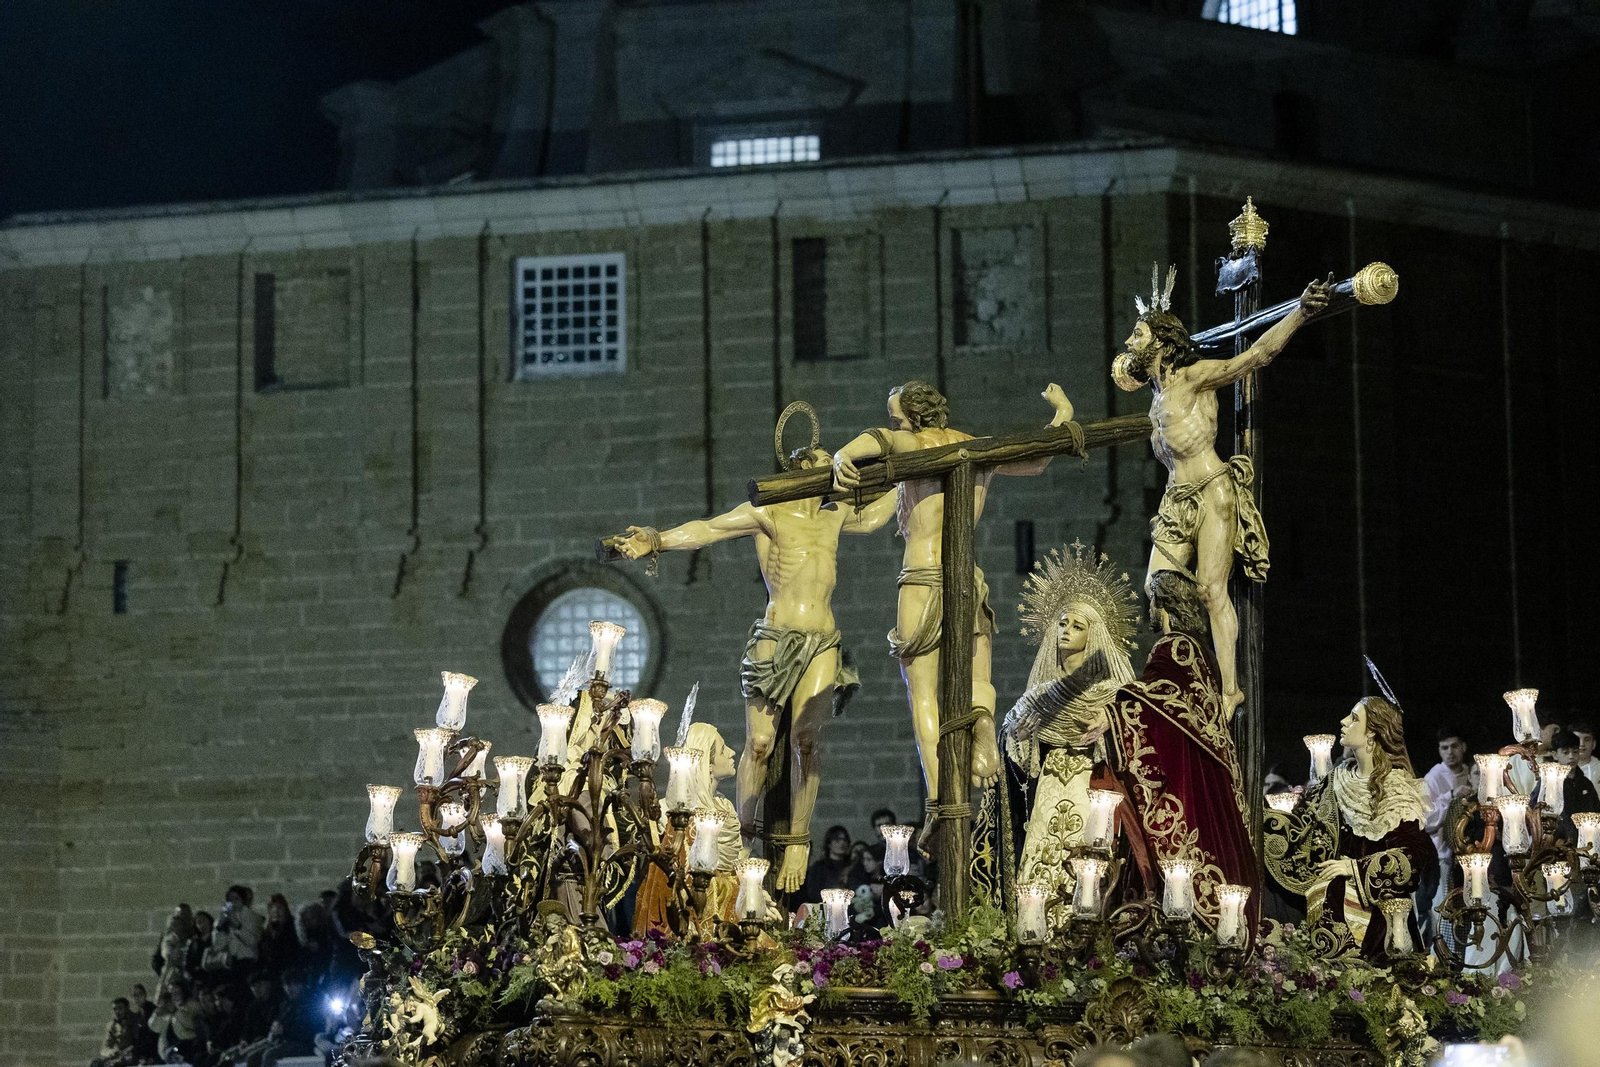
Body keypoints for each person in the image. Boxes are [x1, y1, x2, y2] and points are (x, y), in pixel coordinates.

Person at [608, 431, 897, 891]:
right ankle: (743, 834)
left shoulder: (836, 516)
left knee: (806, 740)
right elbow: (709, 528)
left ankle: (799, 838)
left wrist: (917, 467)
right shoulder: (769, 512)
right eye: (826, 462)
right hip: (775, 637)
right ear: (803, 469)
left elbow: (882, 511)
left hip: (823, 639)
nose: (836, 469)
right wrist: (657, 539)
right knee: (759, 743)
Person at [832, 379, 1077, 851]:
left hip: (921, 577)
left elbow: (872, 442)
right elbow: (1040, 455)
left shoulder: (913, 444)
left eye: (897, 416)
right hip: (968, 577)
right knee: (973, 674)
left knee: (922, 693)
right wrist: (1061, 415)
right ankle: (982, 717)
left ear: (914, 418)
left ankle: (941, 800)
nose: (893, 424)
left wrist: (843, 456)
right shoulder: (975, 447)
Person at [1111, 262, 1333, 714]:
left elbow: (1253, 359)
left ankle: (1229, 689)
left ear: (1159, 340)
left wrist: (1299, 314)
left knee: (1213, 591)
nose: (1130, 342)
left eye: (1137, 334)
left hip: (1213, 492)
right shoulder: (1155, 396)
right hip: (1176, 499)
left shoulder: (1193, 378)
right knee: (1158, 586)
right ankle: (1183, 671)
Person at [1109, 570, 1255, 930]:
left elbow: (1157, 697)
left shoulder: (1173, 647)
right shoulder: (1201, 653)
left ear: (1162, 608)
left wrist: (1111, 710)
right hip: (1207, 772)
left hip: (1187, 778)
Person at [1001, 542, 1138, 920]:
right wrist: (1019, 736)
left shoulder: (1111, 690)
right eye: (1062, 623)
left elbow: (1138, 727)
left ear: (1092, 635)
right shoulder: (1040, 694)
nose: (1066, 630)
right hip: (1049, 787)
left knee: (1090, 865)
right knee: (1042, 864)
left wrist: (1112, 724)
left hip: (1092, 787)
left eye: (1077, 625)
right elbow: (1014, 742)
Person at [1264, 690, 1436, 959]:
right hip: (1327, 888)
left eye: (1354, 718)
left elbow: (1411, 860)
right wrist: (1266, 818)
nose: (1344, 721)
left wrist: (1352, 867)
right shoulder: (1337, 779)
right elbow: (1303, 831)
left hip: (1378, 907)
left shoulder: (1397, 788)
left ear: (1372, 734)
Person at [1420, 726, 1473, 943]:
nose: (1450, 752)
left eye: (1454, 746)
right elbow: (1426, 819)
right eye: (1444, 748)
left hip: (1468, 852)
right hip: (1443, 855)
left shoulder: (1473, 772)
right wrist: (1450, 796)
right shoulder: (1433, 777)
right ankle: (1440, 953)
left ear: (1463, 747)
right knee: (1444, 906)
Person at [149, 979, 206, 1065]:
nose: (174, 995)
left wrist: (176, 1011)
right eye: (171, 992)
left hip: (189, 1051)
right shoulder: (166, 1009)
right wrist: (158, 1012)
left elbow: (193, 1026)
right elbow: (154, 1027)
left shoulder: (193, 1006)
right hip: (169, 1054)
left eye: (177, 992)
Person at [212, 885, 264, 978]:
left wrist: (238, 927)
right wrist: (220, 927)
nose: (233, 902)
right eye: (230, 899)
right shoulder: (223, 917)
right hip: (230, 962)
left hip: (247, 962)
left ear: (242, 901)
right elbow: (218, 945)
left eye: (236, 899)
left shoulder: (252, 917)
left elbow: (252, 941)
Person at [800, 826, 855, 902]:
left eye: (845, 840)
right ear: (829, 843)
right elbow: (814, 893)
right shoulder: (819, 868)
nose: (842, 843)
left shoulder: (853, 866)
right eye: (837, 840)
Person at [88, 997, 142, 1067]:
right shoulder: (112, 1026)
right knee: (94, 1063)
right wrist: (112, 1052)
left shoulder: (136, 1022)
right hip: (117, 1057)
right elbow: (105, 1047)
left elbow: (139, 1042)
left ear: (127, 1009)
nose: (117, 1012)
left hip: (133, 1056)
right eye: (115, 1009)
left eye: (120, 1008)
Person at [152, 907, 193, 998]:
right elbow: (159, 958)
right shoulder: (168, 937)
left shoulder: (193, 934)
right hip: (170, 973)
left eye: (185, 916)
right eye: (180, 916)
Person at [257, 894, 300, 976]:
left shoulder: (293, 927)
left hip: (288, 972)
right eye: (272, 908)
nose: (275, 911)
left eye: (279, 908)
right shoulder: (267, 930)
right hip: (270, 972)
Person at [1571, 720, 1600, 790]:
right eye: (1577, 739)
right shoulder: (1560, 770)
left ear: (1593, 744)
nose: (1581, 744)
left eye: (1587, 740)